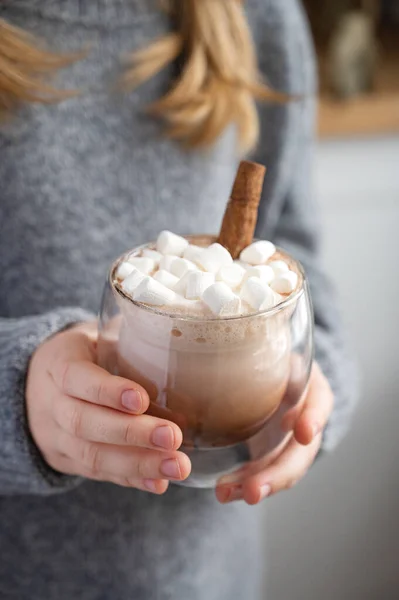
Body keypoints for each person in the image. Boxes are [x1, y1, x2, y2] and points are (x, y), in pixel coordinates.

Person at [0, 1, 357, 599]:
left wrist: (315, 373)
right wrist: (16, 394)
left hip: (209, 577)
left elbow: (291, 250)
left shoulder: (258, 15)